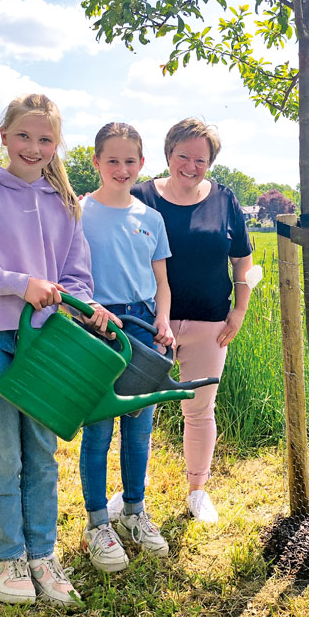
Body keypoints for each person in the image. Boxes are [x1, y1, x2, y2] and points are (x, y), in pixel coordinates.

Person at [0, 93, 117, 607]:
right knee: (1, 453)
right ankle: (8, 556)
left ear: (57, 145)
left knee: (40, 451)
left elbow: (75, 276)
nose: (34, 148)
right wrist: (19, 282)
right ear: (4, 135)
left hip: (43, 342)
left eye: (45, 139)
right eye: (24, 136)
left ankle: (42, 554)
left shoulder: (64, 205)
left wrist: (89, 308)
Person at [134, 117, 254, 522]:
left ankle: (197, 491)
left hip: (209, 323)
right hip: (146, 322)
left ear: (210, 163)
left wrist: (240, 309)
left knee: (200, 411)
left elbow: (244, 260)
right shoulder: (140, 197)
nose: (190, 165)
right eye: (182, 155)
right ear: (168, 154)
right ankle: (133, 493)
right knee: (136, 409)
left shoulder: (225, 199)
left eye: (200, 159)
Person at [79, 122, 174, 572]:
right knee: (98, 427)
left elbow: (161, 282)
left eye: (130, 161)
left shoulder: (150, 218)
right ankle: (97, 522)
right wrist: (88, 310)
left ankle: (135, 511)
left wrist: (162, 319)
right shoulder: (77, 211)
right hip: (96, 325)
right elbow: (68, 273)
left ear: (142, 164)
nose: (121, 168)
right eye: (112, 160)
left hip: (141, 324)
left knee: (139, 427)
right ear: (95, 161)